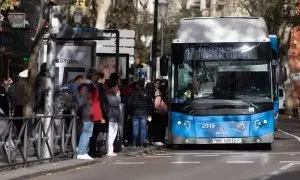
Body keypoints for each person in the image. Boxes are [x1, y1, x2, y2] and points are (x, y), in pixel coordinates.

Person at [77, 68, 104, 160]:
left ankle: (83, 151)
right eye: (96, 75)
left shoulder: (89, 86)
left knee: (88, 133)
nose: (97, 77)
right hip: (88, 113)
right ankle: (82, 152)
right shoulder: (87, 86)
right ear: (93, 76)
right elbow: (82, 101)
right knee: (86, 133)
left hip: (89, 112)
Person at [89, 72, 109, 157]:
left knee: (94, 133)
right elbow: (102, 101)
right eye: (103, 78)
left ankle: (93, 150)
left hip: (95, 111)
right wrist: (104, 114)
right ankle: (93, 150)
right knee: (95, 133)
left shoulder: (95, 87)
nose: (105, 80)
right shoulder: (99, 87)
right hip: (98, 112)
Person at [128, 80, 153, 147]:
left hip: (135, 113)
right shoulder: (147, 93)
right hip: (144, 114)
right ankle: (142, 143)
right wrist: (150, 113)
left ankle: (134, 143)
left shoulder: (133, 93)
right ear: (143, 85)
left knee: (135, 129)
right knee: (143, 129)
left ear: (137, 85)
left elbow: (129, 103)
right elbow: (150, 104)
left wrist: (129, 112)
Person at [106, 80, 121, 156]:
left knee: (113, 134)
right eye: (116, 86)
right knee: (111, 134)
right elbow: (116, 103)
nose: (117, 88)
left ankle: (110, 150)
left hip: (113, 117)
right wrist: (118, 96)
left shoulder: (111, 94)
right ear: (113, 87)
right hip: (112, 117)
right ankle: (109, 150)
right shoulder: (110, 94)